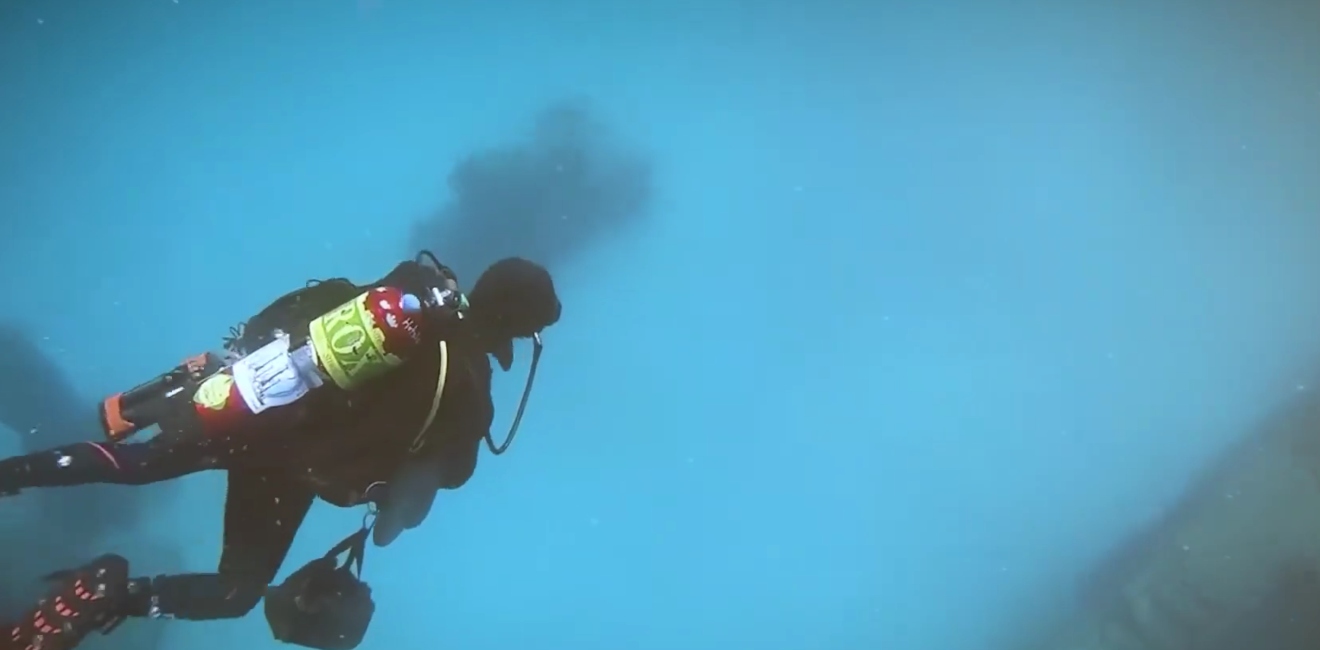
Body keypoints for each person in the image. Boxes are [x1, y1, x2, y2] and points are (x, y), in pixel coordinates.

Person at [0, 254, 561, 634]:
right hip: (290, 475)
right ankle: (113, 595)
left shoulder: (408, 293)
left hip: (253, 408)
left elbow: (313, 307)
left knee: (133, 463)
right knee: (236, 592)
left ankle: (13, 474)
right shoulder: (470, 387)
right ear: (517, 328)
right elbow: (444, 478)